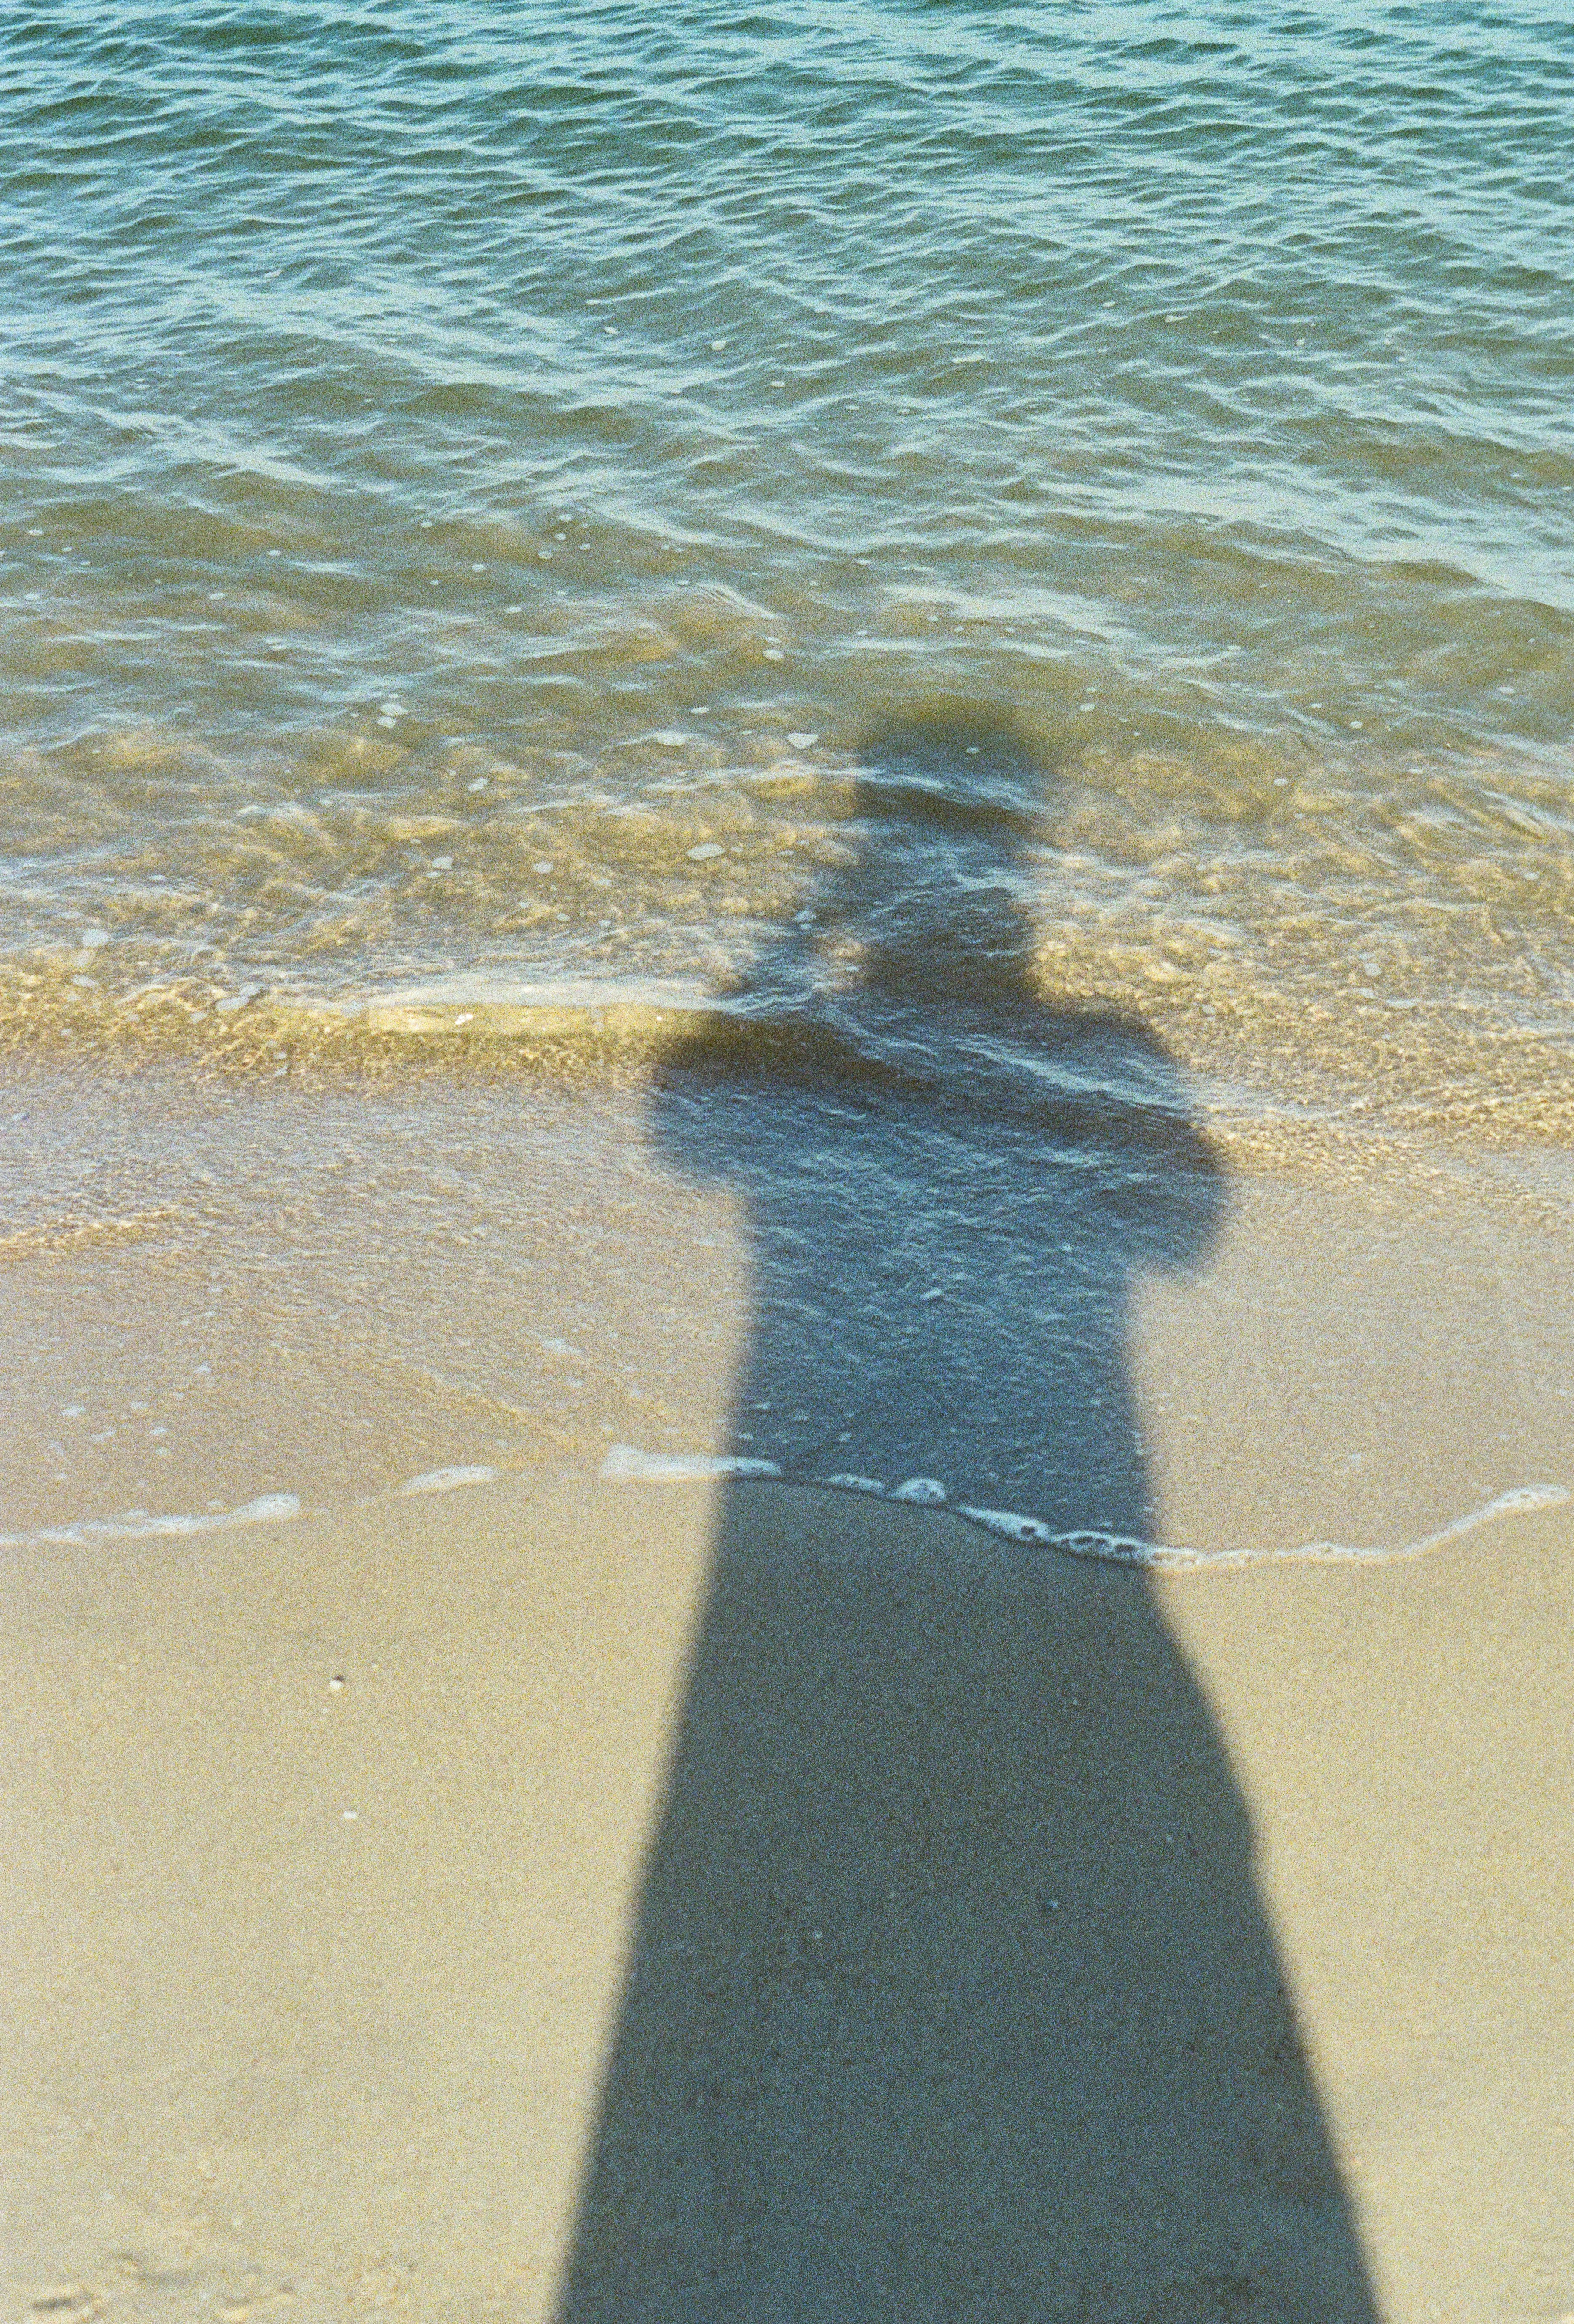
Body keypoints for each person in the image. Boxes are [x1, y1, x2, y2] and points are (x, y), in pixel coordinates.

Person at [556, 716, 1379, 2322]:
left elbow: (684, 1123)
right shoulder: (1106, 1043)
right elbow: (1191, 1231)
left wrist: (804, 920)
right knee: (1073, 1759)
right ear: (1025, 863)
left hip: (817, 1451)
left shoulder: (828, 1032)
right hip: (1067, 1465)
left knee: (821, 1762)